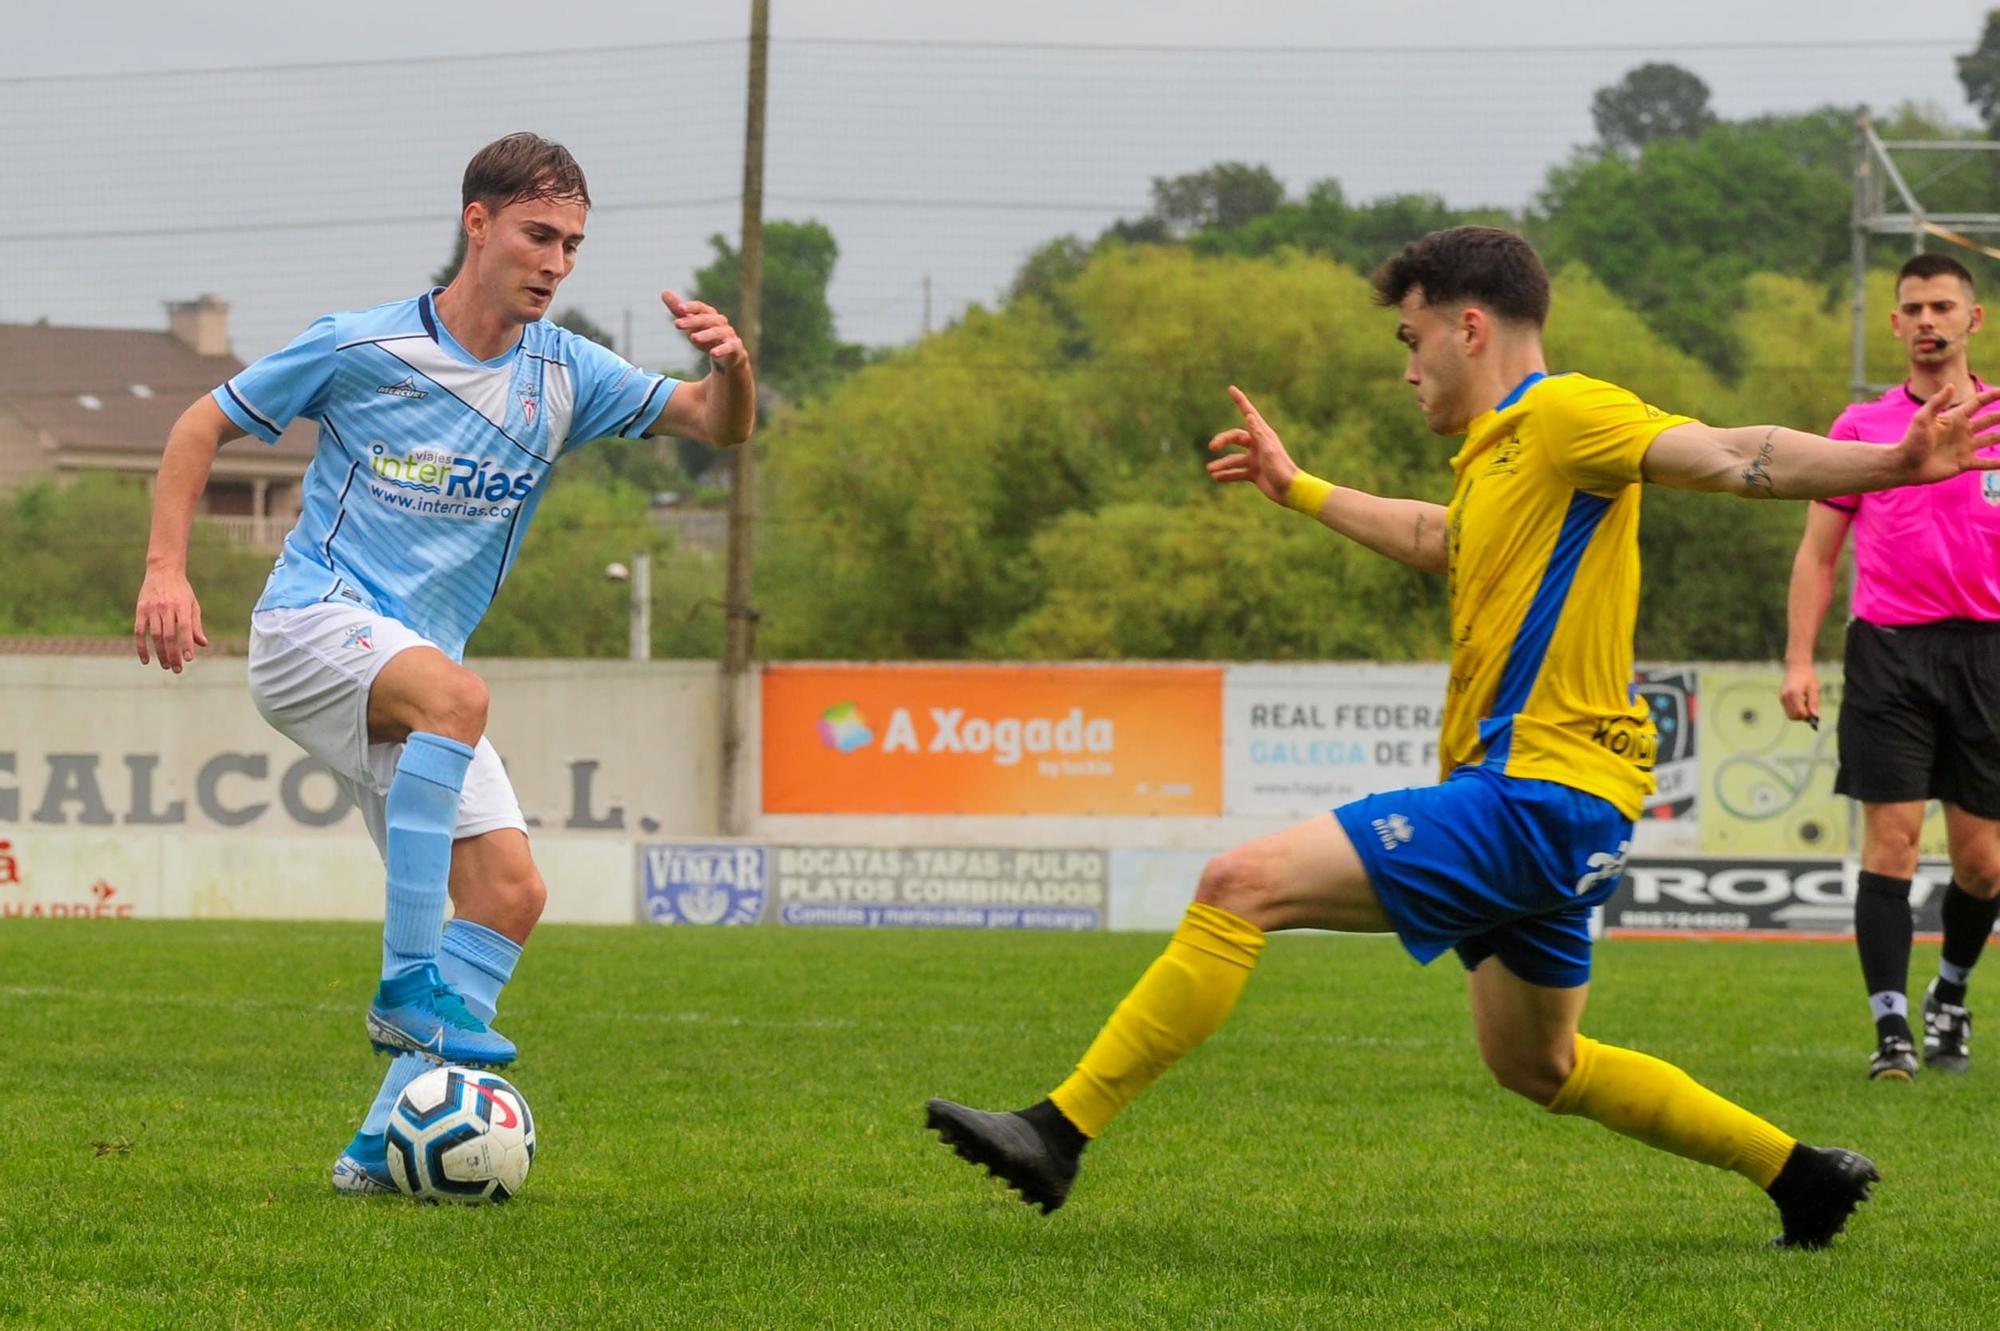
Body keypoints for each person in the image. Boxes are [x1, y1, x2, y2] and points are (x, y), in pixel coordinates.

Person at [926, 226, 2000, 1248]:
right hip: (1556, 799)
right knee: (1537, 1064)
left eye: (1411, 338)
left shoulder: (1568, 411)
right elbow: (1438, 537)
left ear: (1469, 327)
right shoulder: (1498, 456)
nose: (1407, 367)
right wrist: (1296, 487)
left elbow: (1725, 451)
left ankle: (1057, 1131)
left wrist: (1891, 467)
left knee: (1236, 882)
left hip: (1538, 790)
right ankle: (1800, 1174)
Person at [132, 132, 755, 1193]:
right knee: (455, 693)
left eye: (572, 243)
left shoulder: (566, 373)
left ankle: (377, 1150)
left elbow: (713, 427)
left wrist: (730, 368)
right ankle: (405, 982)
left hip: (417, 689)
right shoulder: (363, 345)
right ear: (477, 225)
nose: (556, 261)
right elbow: (200, 424)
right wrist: (167, 570)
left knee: (510, 891)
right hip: (310, 627)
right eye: (537, 234)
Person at [1778, 252, 2000, 1081]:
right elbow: (1816, 554)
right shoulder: (1859, 428)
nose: (1927, 321)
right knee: (1893, 844)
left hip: (1986, 652)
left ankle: (1950, 993)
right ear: (1897, 323)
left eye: (1943, 306)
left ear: (1973, 319)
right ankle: (1892, 1031)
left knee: (1983, 863)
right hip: (1889, 651)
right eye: (1912, 308)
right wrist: (1799, 657)